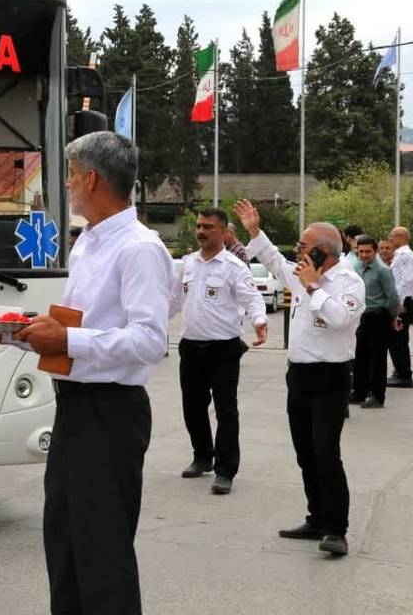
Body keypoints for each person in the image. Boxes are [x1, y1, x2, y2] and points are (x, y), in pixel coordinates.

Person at [13, 132, 170, 613]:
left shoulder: (139, 248)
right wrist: (8, 332)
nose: (67, 184)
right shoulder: (87, 245)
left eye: (72, 174)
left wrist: (67, 341)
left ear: (93, 179)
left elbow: (150, 341)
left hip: (111, 414)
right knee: (64, 545)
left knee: (103, 553)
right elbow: (74, 327)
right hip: (74, 409)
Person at [234, 199, 364, 557]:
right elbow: (274, 261)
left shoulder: (349, 282)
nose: (297, 251)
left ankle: (336, 529)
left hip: (330, 377)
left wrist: (312, 288)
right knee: (305, 453)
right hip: (299, 375)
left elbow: (340, 318)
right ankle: (317, 518)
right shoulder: (300, 271)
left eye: (303, 246)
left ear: (322, 252)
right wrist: (254, 231)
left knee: (326, 453)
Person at [170, 208, 267, 495]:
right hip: (190, 346)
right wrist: (151, 322)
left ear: (223, 232)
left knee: (226, 409)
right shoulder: (188, 264)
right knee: (192, 406)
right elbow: (174, 300)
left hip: (223, 348)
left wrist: (259, 321)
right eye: (199, 226)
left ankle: (225, 470)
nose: (201, 231)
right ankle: (202, 456)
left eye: (208, 227)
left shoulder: (233, 267)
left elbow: (252, 298)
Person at [349, 236, 400, 409]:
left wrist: (391, 318)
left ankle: (376, 396)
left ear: (375, 251)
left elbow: (392, 297)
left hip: (378, 316)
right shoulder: (356, 267)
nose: (364, 255)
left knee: (377, 358)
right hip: (360, 317)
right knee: (360, 356)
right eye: (361, 251)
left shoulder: (383, 271)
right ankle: (359, 392)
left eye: (368, 251)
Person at [386, 227, 413, 388]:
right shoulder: (399, 254)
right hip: (402, 300)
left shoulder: (404, 255)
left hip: (402, 302)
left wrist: (399, 303)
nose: (390, 238)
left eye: (393, 235)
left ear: (403, 237)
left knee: (398, 339)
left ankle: (404, 375)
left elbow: (406, 280)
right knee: (397, 339)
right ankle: (400, 370)